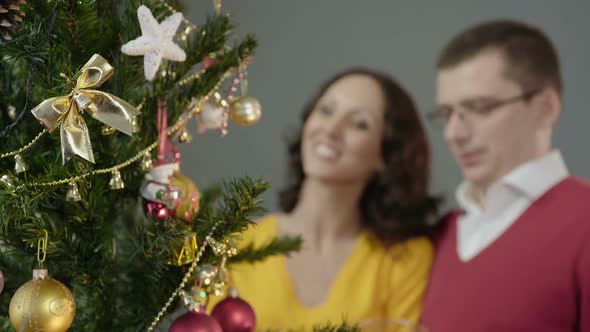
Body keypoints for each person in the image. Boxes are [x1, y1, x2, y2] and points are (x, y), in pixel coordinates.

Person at [210, 68, 440, 330]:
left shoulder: (405, 259)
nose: (331, 129)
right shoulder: (234, 246)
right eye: (326, 110)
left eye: (359, 123)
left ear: (385, 156)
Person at [421, 19, 590, 331]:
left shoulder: (584, 220)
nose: (454, 133)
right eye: (446, 114)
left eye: (480, 107)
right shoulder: (437, 236)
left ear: (545, 108)